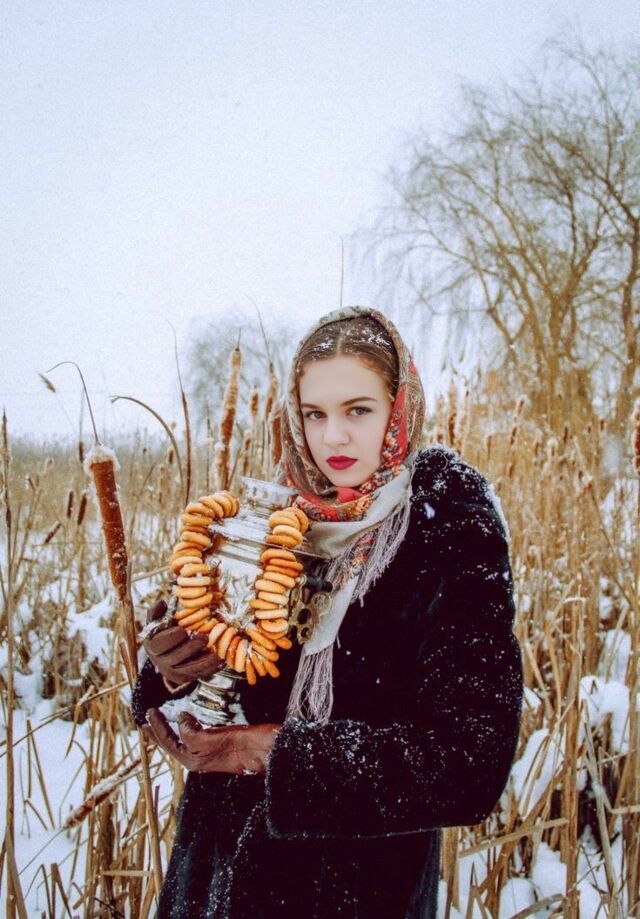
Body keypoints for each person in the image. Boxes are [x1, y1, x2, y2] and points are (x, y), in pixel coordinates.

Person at [132, 305, 523, 919]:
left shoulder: (446, 528)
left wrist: (270, 752)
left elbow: (470, 761)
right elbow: (217, 668)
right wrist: (172, 670)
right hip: (218, 876)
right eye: (314, 413)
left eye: (357, 410)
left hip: (358, 890)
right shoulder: (268, 520)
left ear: (398, 408)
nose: (332, 437)